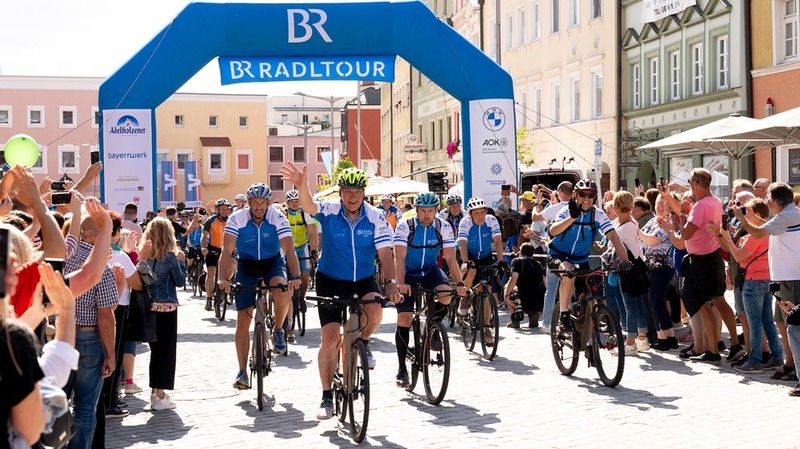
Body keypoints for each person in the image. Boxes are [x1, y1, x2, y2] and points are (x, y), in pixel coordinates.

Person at [279, 163, 402, 420]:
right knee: (331, 338)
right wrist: (302, 186)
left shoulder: (376, 217)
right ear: (340, 193)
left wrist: (391, 282)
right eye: (347, 191)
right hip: (331, 279)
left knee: (376, 309)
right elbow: (310, 207)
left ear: (364, 192)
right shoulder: (331, 210)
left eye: (357, 191)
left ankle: (363, 342)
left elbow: (385, 254)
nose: (352, 196)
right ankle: (326, 396)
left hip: (363, 279)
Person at [217, 183, 301, 389]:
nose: (259, 207)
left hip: (272, 263)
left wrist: (296, 275)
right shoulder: (237, 218)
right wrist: (222, 278)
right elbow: (226, 251)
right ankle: (242, 371)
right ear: (249, 203)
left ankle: (279, 329)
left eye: (263, 203)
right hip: (247, 265)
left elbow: (289, 249)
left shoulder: (278, 218)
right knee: (243, 321)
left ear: (269, 203)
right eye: (255, 203)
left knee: (282, 289)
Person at [662, 168, 740, 364]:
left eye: (689, 180)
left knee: (703, 306)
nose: (688, 183)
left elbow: (686, 234)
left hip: (701, 260)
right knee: (719, 302)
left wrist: (673, 228)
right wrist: (670, 201)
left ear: (696, 182)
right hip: (713, 257)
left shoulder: (701, 206)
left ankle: (712, 351)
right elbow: (684, 213)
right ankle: (735, 344)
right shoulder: (714, 201)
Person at [732, 182, 800, 394]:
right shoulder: (789, 214)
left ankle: (797, 373)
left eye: (769, 198)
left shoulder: (786, 216)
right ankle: (791, 367)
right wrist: (751, 216)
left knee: (794, 328)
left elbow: (759, 233)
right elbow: (766, 225)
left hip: (791, 279)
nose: (767, 202)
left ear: (775, 201)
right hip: (785, 279)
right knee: (782, 323)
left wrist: (742, 217)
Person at [393, 192, 466, 387]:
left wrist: (459, 284)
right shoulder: (405, 226)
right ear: (416, 211)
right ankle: (402, 369)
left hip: (429, 270)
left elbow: (450, 258)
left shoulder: (443, 226)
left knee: (446, 296)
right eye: (423, 211)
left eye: (430, 211)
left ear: (436, 211)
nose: (426, 215)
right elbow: (398, 257)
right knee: (404, 318)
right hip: (407, 273)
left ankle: (433, 325)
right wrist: (400, 283)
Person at [63, 204, 119, 448]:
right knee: (85, 409)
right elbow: (105, 316)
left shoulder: (62, 258)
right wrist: (111, 353)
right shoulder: (102, 270)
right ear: (97, 235)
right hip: (88, 339)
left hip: (61, 337)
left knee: (55, 403)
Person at [711, 198, 783, 373]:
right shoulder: (766, 232)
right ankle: (777, 356)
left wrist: (727, 237)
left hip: (753, 282)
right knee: (766, 320)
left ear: (756, 214)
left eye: (746, 212)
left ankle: (755, 361)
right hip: (766, 279)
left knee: (755, 323)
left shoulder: (756, 236)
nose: (742, 215)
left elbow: (738, 256)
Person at [548, 179, 631, 331]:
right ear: (575, 195)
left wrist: (624, 260)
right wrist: (572, 218)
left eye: (590, 195)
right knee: (569, 274)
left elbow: (614, 237)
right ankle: (564, 313)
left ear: (595, 197)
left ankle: (588, 330)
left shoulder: (597, 214)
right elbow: (553, 231)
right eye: (582, 194)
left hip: (581, 259)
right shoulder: (567, 210)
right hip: (558, 255)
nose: (586, 199)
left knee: (590, 292)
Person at [138, 218, 186, 411]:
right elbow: (180, 281)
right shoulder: (171, 256)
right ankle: (159, 395)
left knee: (155, 352)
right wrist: (182, 262)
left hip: (149, 308)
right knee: (166, 353)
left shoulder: (144, 256)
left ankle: (155, 393)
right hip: (167, 309)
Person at [457, 197, 505, 345]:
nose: (480, 216)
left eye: (482, 212)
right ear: (470, 214)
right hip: (469, 255)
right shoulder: (465, 222)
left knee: (487, 292)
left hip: (485, 256)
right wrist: (465, 261)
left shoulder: (491, 220)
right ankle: (464, 298)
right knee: (470, 270)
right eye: (476, 213)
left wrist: (501, 260)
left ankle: (486, 328)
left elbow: (497, 241)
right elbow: (462, 243)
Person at [638, 190, 678, 351]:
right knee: (658, 302)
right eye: (659, 203)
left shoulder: (666, 222)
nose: (661, 207)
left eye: (665, 204)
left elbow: (653, 241)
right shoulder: (654, 220)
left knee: (655, 302)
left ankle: (662, 338)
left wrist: (637, 232)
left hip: (661, 267)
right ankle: (669, 337)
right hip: (651, 266)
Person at [283, 189, 319, 342]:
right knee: (286, 274)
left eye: (296, 201)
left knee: (305, 273)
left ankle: (302, 297)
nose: (294, 204)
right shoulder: (283, 214)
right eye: (291, 202)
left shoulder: (305, 213)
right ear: (287, 203)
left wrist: (313, 250)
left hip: (302, 245)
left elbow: (312, 232)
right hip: (286, 246)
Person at [504, 242, 546, 328]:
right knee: (532, 291)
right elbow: (544, 281)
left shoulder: (516, 261)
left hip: (521, 299)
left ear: (520, 252)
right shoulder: (538, 264)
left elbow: (513, 278)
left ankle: (515, 319)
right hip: (538, 300)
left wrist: (506, 295)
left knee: (507, 287)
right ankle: (533, 314)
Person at [201, 199, 232, 311]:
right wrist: (203, 247)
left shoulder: (231, 221)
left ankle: (226, 282)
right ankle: (209, 298)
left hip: (227, 248)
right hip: (213, 248)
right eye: (222, 209)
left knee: (234, 263)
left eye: (226, 209)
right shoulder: (211, 220)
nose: (224, 211)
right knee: (211, 272)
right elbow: (204, 236)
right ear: (217, 209)